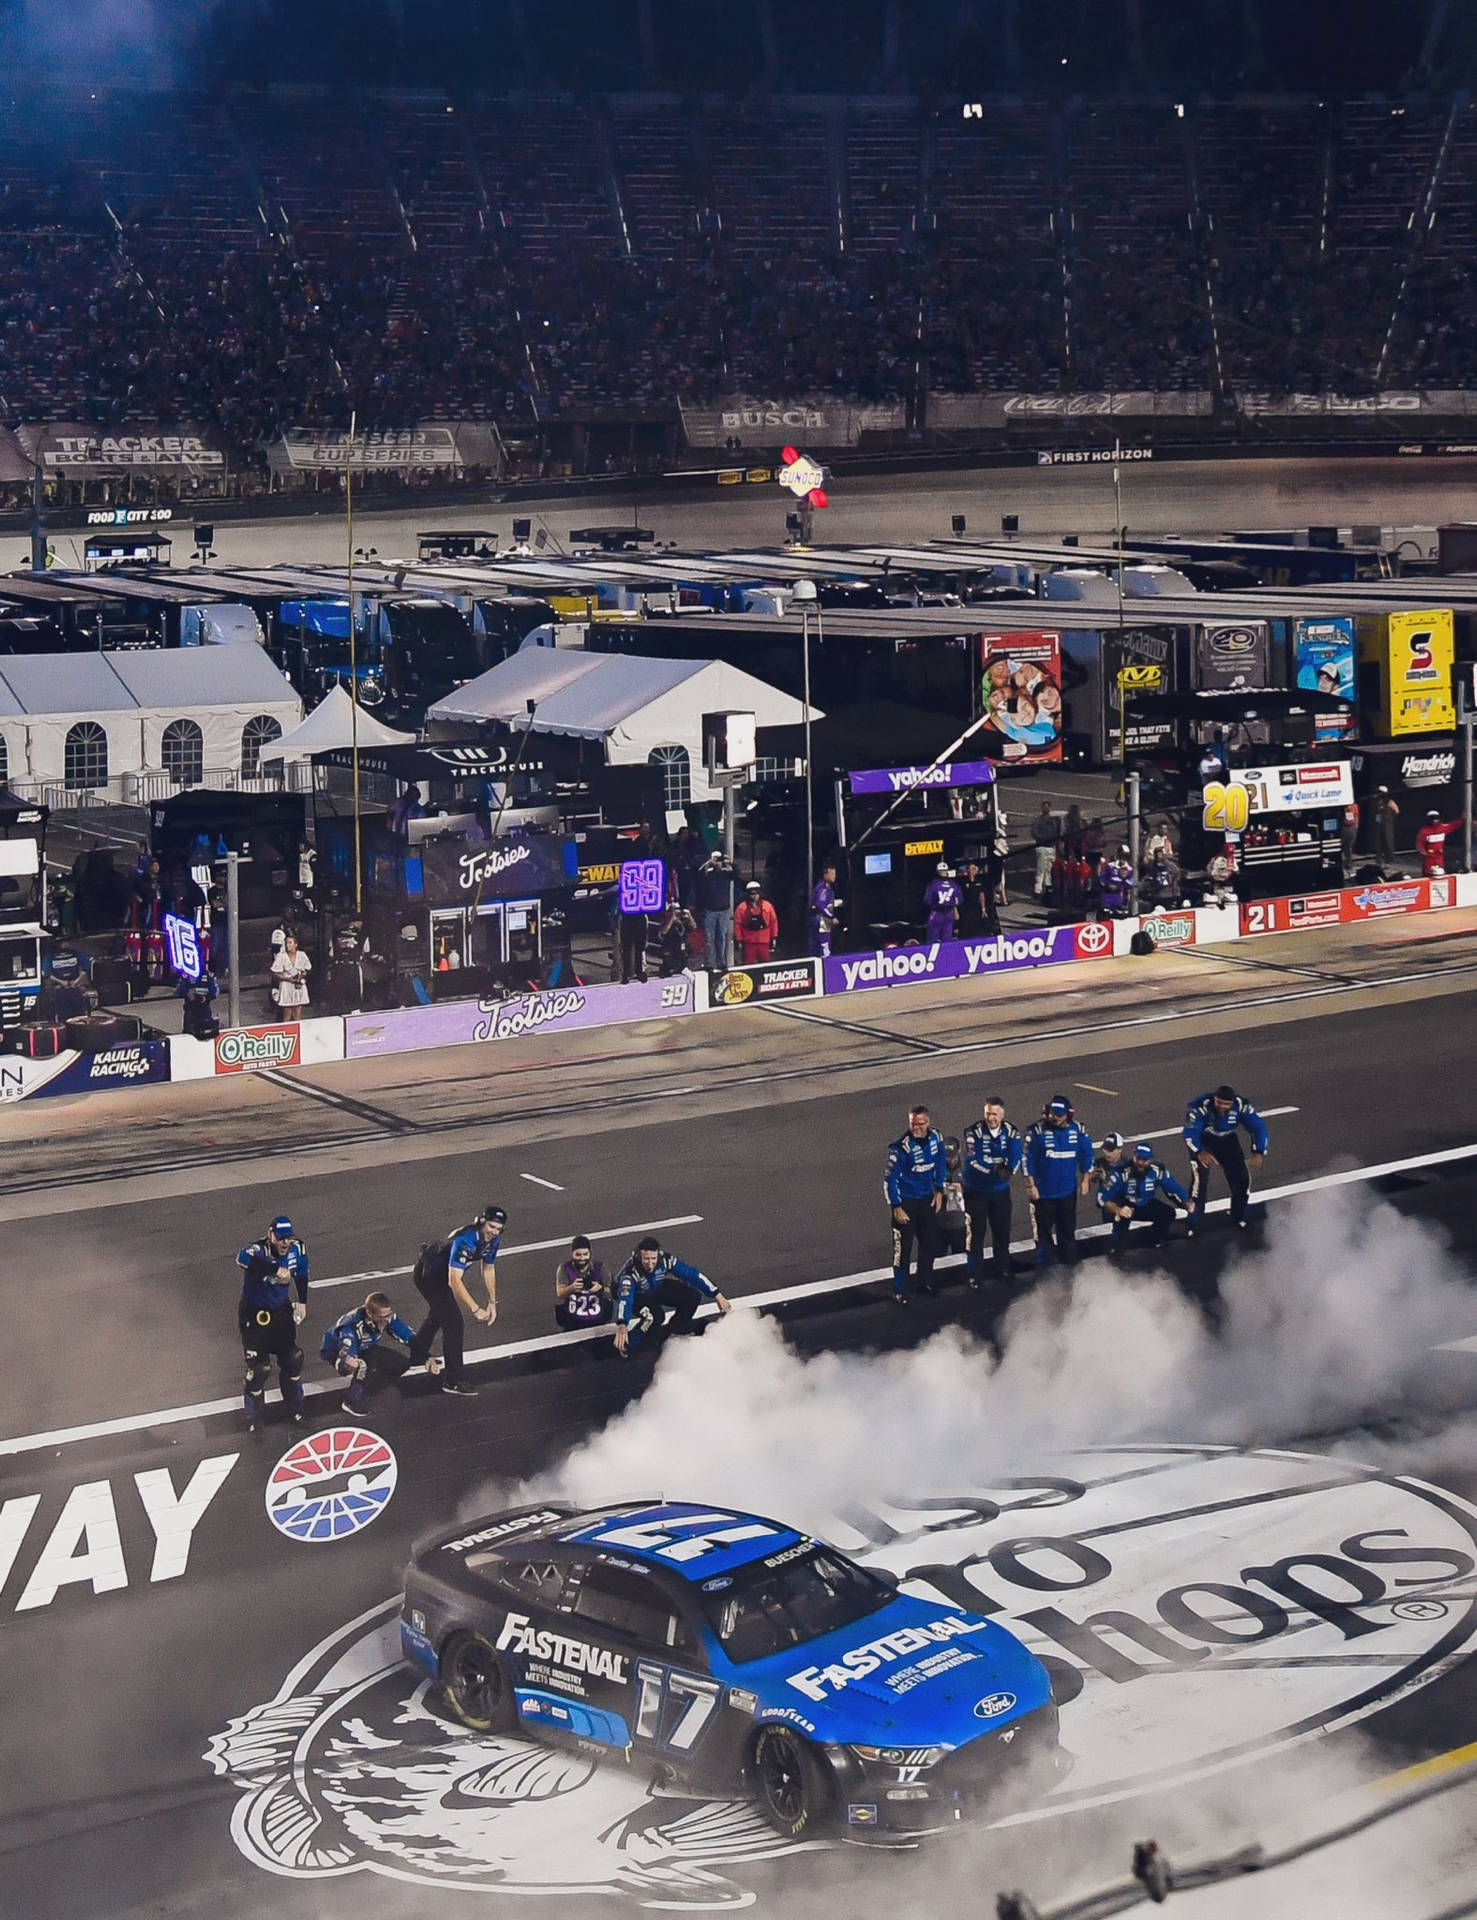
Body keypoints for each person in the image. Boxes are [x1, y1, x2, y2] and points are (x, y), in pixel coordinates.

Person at [408, 1205, 507, 1396]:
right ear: (482, 1222)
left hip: (440, 1273)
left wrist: (493, 1302)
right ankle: (453, 1380)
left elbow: (488, 1269)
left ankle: (417, 1355)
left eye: (498, 1229)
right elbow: (454, 1281)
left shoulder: (492, 1240)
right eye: (491, 1227)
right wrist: (476, 1309)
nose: (494, 1232)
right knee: (453, 1323)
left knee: (439, 1314)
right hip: (429, 1275)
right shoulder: (465, 1240)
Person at [236, 1215, 310, 1433]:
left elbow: (302, 1274)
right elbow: (240, 1259)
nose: (285, 1243)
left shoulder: (299, 1249)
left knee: (293, 1359)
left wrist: (303, 1302)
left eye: (288, 1238)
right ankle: (254, 1419)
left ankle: (295, 1410)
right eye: (280, 1238)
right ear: (270, 1234)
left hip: (281, 1313)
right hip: (255, 1315)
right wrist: (273, 1269)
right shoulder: (257, 1250)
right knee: (259, 1369)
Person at [612, 1235, 731, 1357]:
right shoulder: (630, 1273)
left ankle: (676, 1329)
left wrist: (716, 1293)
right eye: (646, 1259)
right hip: (637, 1295)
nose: (650, 1264)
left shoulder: (665, 1260)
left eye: (653, 1259)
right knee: (654, 1317)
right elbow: (625, 1300)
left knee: (693, 1296)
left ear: (658, 1255)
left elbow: (691, 1274)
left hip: (656, 1287)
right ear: (639, 1256)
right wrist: (622, 1323)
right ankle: (627, 1345)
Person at [323, 1291, 438, 1416]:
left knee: (402, 1364)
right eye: (381, 1317)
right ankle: (351, 1401)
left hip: (364, 1346)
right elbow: (346, 1352)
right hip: (337, 1351)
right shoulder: (351, 1327)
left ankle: (367, 1391)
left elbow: (407, 1335)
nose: (386, 1320)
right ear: (369, 1313)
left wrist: (427, 1357)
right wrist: (350, 1362)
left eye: (388, 1315)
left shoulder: (387, 1317)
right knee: (364, 1364)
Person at [1183, 1084, 1269, 1232]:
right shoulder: (1199, 1108)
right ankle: (1193, 1222)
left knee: (1242, 1180)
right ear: (1214, 1099)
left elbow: (1258, 1127)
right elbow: (1190, 1134)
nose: (1222, 1107)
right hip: (1204, 1141)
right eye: (1219, 1103)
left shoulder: (1241, 1106)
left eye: (1226, 1104)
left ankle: (1238, 1216)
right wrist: (1200, 1152)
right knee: (1199, 1181)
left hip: (1227, 1140)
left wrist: (1258, 1151)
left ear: (1232, 1103)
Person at [884, 1103, 947, 1302]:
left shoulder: (937, 1137)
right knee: (902, 1251)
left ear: (928, 1122)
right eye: (913, 1124)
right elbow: (889, 1179)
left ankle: (924, 1283)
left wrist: (939, 1190)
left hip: (926, 1201)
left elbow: (940, 1163)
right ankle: (900, 1290)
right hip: (906, 1204)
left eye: (920, 1124)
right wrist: (896, 1206)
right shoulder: (900, 1148)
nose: (916, 1128)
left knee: (929, 1244)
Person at [1024, 1095, 1094, 1266]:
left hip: (1067, 1194)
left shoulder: (1079, 1130)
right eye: (1052, 1114)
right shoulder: (1036, 1131)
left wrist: (1086, 1178)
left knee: (1068, 1233)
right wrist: (1030, 1185)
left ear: (1069, 1115)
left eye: (1059, 1115)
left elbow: (1088, 1155)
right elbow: (1027, 1159)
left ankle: (1070, 1267)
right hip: (1043, 1195)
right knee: (1043, 1235)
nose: (1054, 1118)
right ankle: (1046, 1271)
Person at [961, 1094, 1022, 1286]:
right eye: (988, 1113)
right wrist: (995, 1169)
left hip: (1000, 1193)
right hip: (976, 1191)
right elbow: (973, 1159)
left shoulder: (1011, 1131)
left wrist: (1010, 1170)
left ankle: (1003, 1269)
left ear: (1002, 1115)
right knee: (976, 1234)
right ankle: (974, 1275)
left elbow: (1016, 1156)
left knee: (1002, 1232)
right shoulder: (973, 1132)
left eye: (995, 1114)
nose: (991, 1118)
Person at [1101, 1144, 1190, 1250]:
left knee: (1168, 1213)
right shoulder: (1120, 1173)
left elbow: (1175, 1188)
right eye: (1138, 1158)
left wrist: (1187, 1201)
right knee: (1118, 1235)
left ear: (1150, 1159)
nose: (1141, 1163)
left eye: (1145, 1159)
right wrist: (1118, 1210)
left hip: (1145, 1204)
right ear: (1134, 1156)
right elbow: (1102, 1197)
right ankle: (1115, 1247)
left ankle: (1157, 1238)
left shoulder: (1157, 1172)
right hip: (1125, 1205)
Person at [555, 1235, 614, 1332]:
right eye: (578, 1255)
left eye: (585, 1254)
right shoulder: (564, 1268)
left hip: (598, 1320)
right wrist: (571, 1288)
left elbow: (614, 1293)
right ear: (572, 1253)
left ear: (590, 1253)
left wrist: (601, 1289)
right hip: (572, 1320)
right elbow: (560, 1294)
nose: (582, 1258)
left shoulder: (601, 1268)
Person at [696, 851, 736, 970]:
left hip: (724, 910)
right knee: (709, 938)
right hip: (710, 911)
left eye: (719, 860)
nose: (718, 862)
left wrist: (730, 863)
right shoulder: (708, 874)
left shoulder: (726, 873)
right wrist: (709, 863)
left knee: (721, 938)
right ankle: (710, 963)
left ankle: (721, 962)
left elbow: (736, 873)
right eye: (716, 860)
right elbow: (698, 875)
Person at [734, 880, 779, 964]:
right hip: (749, 941)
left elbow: (773, 922)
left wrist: (774, 937)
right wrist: (739, 940)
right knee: (748, 964)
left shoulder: (767, 906)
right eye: (752, 894)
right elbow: (737, 925)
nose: (754, 896)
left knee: (765, 963)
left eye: (756, 893)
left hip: (764, 941)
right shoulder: (741, 908)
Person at [270, 932, 311, 1020]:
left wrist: (301, 976)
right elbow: (275, 973)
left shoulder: (302, 955)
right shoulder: (281, 956)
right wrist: (289, 979)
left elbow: (307, 969)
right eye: (286, 943)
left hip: (298, 985)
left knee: (298, 1009)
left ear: (295, 944)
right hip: (286, 985)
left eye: (290, 942)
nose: (287, 945)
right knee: (287, 1011)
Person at [939, 1136, 969, 1258]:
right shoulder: (935, 1169)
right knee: (937, 1258)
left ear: (959, 1151)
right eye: (947, 1157)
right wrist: (939, 1190)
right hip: (939, 1224)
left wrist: (962, 1189)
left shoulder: (968, 1169)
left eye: (952, 1157)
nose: (950, 1160)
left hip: (961, 1224)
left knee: (962, 1257)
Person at [810, 862, 843, 958]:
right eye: (832, 874)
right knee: (824, 948)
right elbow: (820, 905)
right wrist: (831, 917)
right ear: (826, 874)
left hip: (824, 922)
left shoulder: (828, 888)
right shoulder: (823, 888)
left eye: (835, 874)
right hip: (822, 921)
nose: (834, 876)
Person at [923, 862, 962, 941]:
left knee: (933, 938)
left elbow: (927, 900)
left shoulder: (933, 884)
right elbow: (959, 899)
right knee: (947, 938)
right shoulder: (953, 884)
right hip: (949, 912)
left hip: (937, 912)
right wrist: (955, 910)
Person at [1417, 810, 1463, 877]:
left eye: (1436, 818)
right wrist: (1426, 853)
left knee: (1440, 874)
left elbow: (1453, 825)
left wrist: (1463, 819)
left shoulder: (1442, 828)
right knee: (1428, 874)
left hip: (1439, 858)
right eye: (1433, 818)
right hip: (1429, 859)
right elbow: (1420, 844)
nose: (1435, 820)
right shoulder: (1424, 832)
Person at [655, 900, 695, 977]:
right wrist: (671, 919)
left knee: (683, 965)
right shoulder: (666, 921)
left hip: (680, 950)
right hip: (669, 950)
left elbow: (694, 927)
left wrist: (689, 916)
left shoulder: (682, 921)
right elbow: (663, 932)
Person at [1030, 802, 1060, 898]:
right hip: (1045, 847)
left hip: (1047, 847)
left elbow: (1034, 833)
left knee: (1047, 869)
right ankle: (1039, 889)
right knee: (1042, 869)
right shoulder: (1051, 821)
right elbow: (1035, 833)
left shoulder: (1042, 820)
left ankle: (1045, 888)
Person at [1372, 787, 1400, 870]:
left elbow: (1396, 811)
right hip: (1378, 825)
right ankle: (1379, 861)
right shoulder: (1376, 801)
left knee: (1388, 841)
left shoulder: (1389, 801)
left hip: (1387, 824)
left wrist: (1389, 817)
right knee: (1378, 842)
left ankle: (1389, 861)